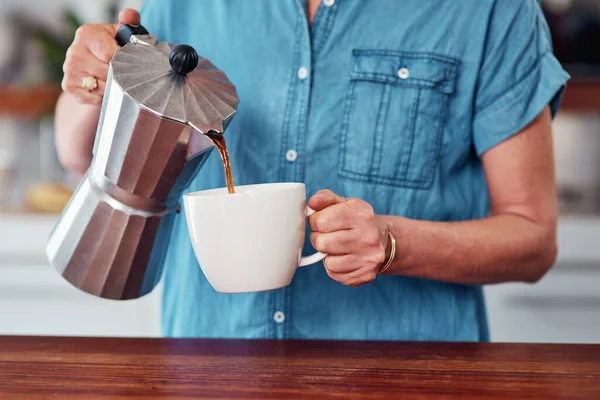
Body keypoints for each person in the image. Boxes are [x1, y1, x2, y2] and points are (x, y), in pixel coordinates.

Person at [55, 0, 570, 341]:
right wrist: (87, 83)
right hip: (209, 374)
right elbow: (79, 154)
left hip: (408, 377)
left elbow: (532, 239)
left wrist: (393, 244)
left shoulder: (491, 11)